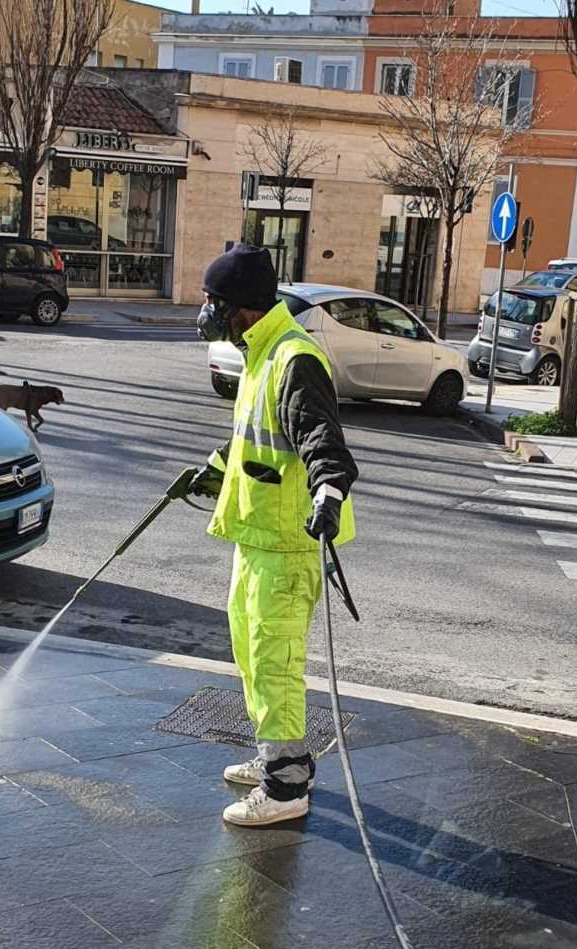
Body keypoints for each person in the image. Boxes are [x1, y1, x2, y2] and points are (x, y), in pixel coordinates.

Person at [185, 243, 358, 828]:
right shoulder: (260, 353)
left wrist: (329, 495)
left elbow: (322, 443)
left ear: (241, 308)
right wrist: (212, 472)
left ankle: (285, 788)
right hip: (257, 536)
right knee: (251, 652)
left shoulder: (293, 359)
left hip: (288, 542)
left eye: (212, 301)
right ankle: (274, 755)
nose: (205, 310)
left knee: (275, 660)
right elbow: (253, 439)